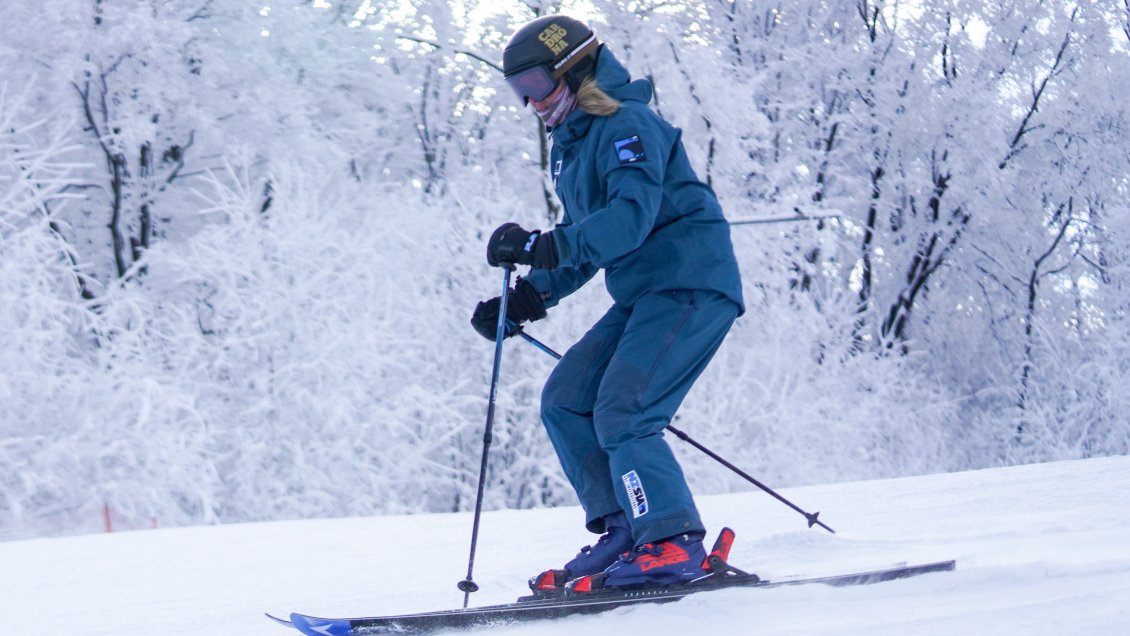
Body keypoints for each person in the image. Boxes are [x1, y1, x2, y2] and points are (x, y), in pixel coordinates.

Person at [470, 14, 744, 592]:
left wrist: (540, 246)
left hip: (690, 282)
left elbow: (625, 223)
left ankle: (671, 542)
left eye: (538, 85)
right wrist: (525, 297)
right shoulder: (570, 149)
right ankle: (626, 527)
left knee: (624, 410)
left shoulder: (629, 124)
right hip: (646, 291)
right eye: (518, 92)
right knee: (566, 399)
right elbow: (583, 239)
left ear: (576, 69)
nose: (532, 103)